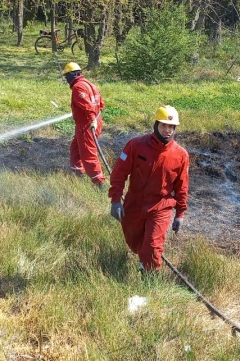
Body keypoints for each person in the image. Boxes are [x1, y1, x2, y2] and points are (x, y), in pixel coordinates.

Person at [108, 105, 189, 272]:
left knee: (152, 246)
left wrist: (180, 213)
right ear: (156, 125)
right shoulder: (136, 145)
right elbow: (119, 173)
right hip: (134, 203)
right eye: (164, 126)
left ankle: (150, 281)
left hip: (161, 206)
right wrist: (116, 200)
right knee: (134, 240)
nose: (168, 130)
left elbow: (182, 187)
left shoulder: (181, 155)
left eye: (172, 127)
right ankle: (143, 261)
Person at [62, 62, 106, 187]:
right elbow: (101, 104)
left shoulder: (78, 87)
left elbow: (87, 106)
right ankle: (77, 174)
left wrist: (92, 119)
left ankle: (99, 183)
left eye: (66, 76)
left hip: (87, 125)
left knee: (88, 154)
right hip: (94, 122)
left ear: (72, 74)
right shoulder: (90, 84)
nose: (66, 79)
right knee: (75, 148)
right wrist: (95, 119)